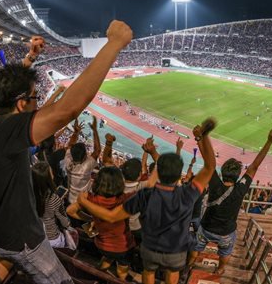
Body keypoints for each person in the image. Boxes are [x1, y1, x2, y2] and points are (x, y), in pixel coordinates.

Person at [0, 20, 132, 284]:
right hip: (22, 241)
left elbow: (4, 97)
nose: (38, 105)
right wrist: (114, 44)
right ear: (22, 105)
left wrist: (30, 59)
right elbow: (67, 109)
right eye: (35, 99)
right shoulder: (5, 133)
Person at [77, 119, 217, 284]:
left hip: (150, 246)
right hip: (176, 249)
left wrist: (84, 201)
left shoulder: (145, 194)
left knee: (148, 271)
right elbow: (210, 167)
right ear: (179, 175)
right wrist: (202, 137)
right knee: (172, 273)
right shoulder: (189, 193)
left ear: (157, 172)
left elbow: (112, 216)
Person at [189, 129, 272, 275]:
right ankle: (220, 269)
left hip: (205, 228)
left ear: (222, 172)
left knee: (195, 250)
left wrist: (199, 138)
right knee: (224, 253)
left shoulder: (215, 182)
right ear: (237, 176)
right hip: (226, 233)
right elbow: (254, 166)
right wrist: (269, 141)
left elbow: (208, 162)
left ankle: (189, 266)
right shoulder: (240, 189)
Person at [68, 166, 135, 280]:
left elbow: (70, 211)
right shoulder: (124, 199)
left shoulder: (90, 198)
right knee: (122, 272)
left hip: (102, 244)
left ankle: (99, 277)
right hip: (122, 246)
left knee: (107, 258)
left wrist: (91, 219)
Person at [32, 161, 72, 248]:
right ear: (48, 178)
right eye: (51, 173)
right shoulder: (54, 198)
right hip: (51, 239)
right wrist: (60, 203)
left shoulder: (29, 195)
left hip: (36, 236)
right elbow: (65, 223)